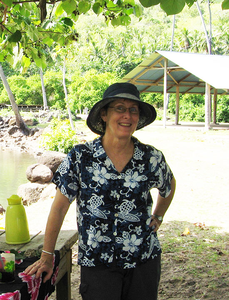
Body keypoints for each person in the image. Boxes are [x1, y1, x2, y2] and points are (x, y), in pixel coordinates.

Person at [25, 82, 176, 300]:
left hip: (143, 260)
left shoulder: (151, 157)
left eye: (134, 110)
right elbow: (59, 207)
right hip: (97, 264)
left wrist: (158, 216)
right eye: (120, 108)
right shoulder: (80, 156)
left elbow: (169, 185)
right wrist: (47, 256)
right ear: (104, 114)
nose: (127, 115)